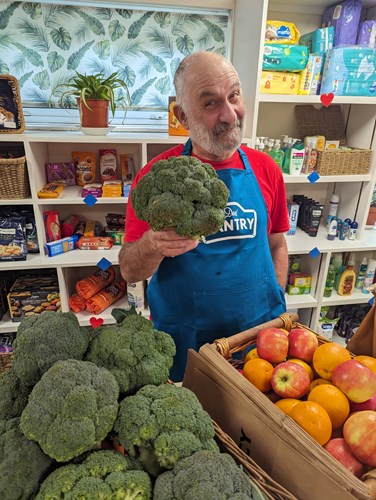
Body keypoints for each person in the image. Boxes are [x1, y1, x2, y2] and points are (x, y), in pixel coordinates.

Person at [119, 51, 289, 381]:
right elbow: (128, 269)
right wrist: (153, 244)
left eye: (234, 96)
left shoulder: (266, 168)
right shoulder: (155, 178)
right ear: (182, 116)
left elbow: (277, 245)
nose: (230, 114)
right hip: (188, 340)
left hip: (259, 334)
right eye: (210, 103)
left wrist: (275, 297)